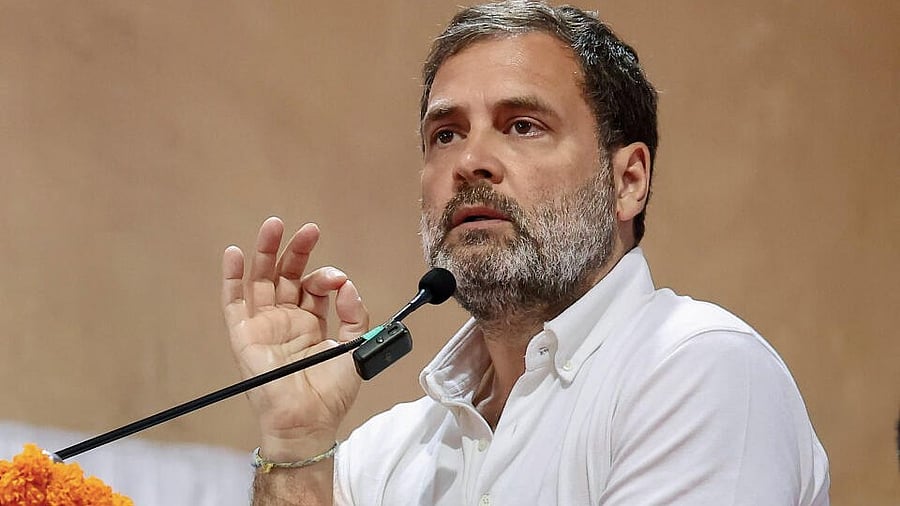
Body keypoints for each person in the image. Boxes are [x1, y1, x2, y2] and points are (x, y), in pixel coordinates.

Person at [221, 1, 830, 504]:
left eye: (522, 126)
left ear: (628, 181)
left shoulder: (697, 369)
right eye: (446, 134)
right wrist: (297, 443)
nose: (469, 163)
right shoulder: (382, 459)